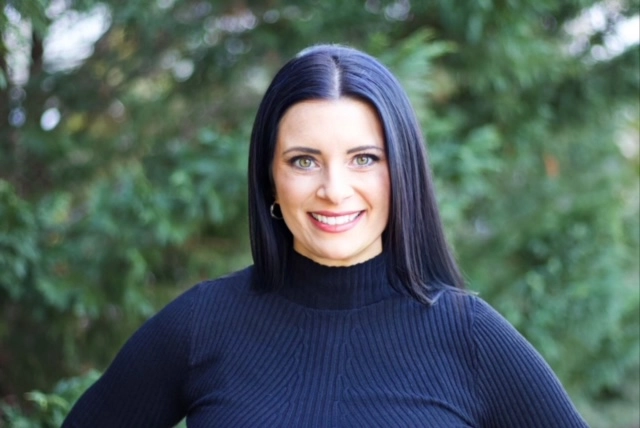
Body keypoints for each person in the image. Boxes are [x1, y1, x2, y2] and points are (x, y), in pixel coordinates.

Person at [63, 44, 588, 427]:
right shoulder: (202, 324)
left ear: (400, 173)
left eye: (364, 159)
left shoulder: (469, 337)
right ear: (271, 177)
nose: (334, 190)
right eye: (304, 160)